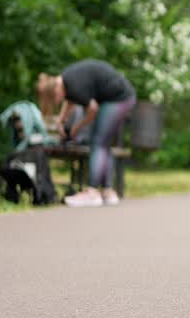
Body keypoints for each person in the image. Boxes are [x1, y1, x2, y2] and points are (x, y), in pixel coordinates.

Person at [37, 59, 137, 207]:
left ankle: (92, 192)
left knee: (97, 142)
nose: (57, 102)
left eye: (55, 99)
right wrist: (61, 120)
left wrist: (76, 128)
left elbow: (92, 110)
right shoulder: (66, 80)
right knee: (104, 144)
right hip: (118, 97)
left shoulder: (72, 84)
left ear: (56, 91)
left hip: (119, 98)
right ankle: (108, 192)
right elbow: (70, 100)